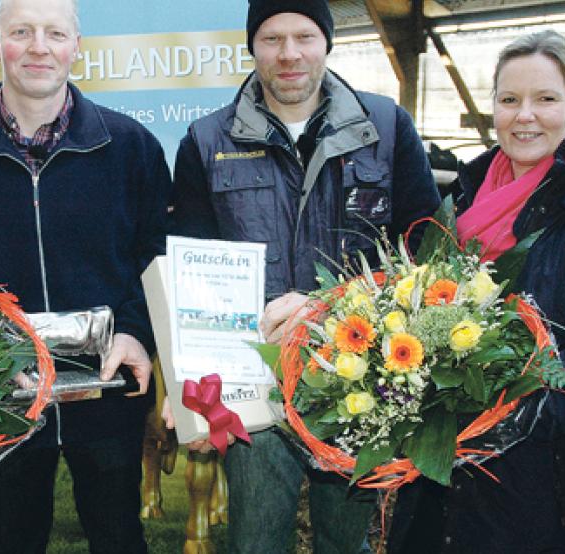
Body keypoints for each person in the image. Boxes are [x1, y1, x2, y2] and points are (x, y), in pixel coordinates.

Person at [168, 0, 440, 552]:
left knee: (346, 543)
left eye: (304, 36)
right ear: (251, 47)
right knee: (254, 541)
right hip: (253, 385)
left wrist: (328, 310)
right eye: (271, 39)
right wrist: (197, 399)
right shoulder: (205, 141)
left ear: (327, 43)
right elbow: (190, 279)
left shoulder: (385, 127)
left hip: (356, 383)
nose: (289, 54)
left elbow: (426, 253)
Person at [0, 0, 171, 552]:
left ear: (76, 45)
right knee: (15, 535)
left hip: (110, 388)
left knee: (119, 532)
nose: (39, 47)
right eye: (21, 31)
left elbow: (156, 253)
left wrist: (137, 331)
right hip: (4, 393)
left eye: (54, 33)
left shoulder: (130, 146)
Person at [388, 30, 565, 554]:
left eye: (546, 99)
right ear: (492, 109)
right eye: (509, 100)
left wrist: (496, 416)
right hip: (442, 482)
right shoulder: (459, 207)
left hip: (553, 491)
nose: (525, 116)